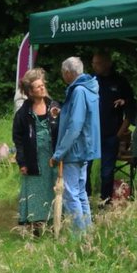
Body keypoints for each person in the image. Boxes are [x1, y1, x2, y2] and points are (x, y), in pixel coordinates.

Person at [50, 56, 100, 233]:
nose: (63, 76)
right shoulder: (89, 88)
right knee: (81, 193)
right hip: (85, 148)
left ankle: (79, 237)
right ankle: (88, 233)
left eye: (64, 73)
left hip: (75, 150)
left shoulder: (78, 90)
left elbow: (76, 125)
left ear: (69, 73)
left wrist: (58, 153)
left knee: (71, 195)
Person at [11, 68, 60, 236]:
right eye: (37, 87)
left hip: (52, 157)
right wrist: (22, 162)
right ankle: (35, 226)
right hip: (33, 158)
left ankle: (54, 223)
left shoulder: (54, 106)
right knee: (34, 191)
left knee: (51, 188)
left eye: (42, 85)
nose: (42, 88)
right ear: (30, 92)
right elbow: (18, 138)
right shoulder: (23, 113)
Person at [90, 51, 134, 205]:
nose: (95, 66)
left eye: (98, 63)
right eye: (93, 63)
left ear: (108, 63)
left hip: (111, 135)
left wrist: (119, 134)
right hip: (91, 134)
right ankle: (86, 200)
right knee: (85, 168)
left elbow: (130, 109)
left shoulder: (120, 81)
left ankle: (105, 202)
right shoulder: (91, 80)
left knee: (107, 172)